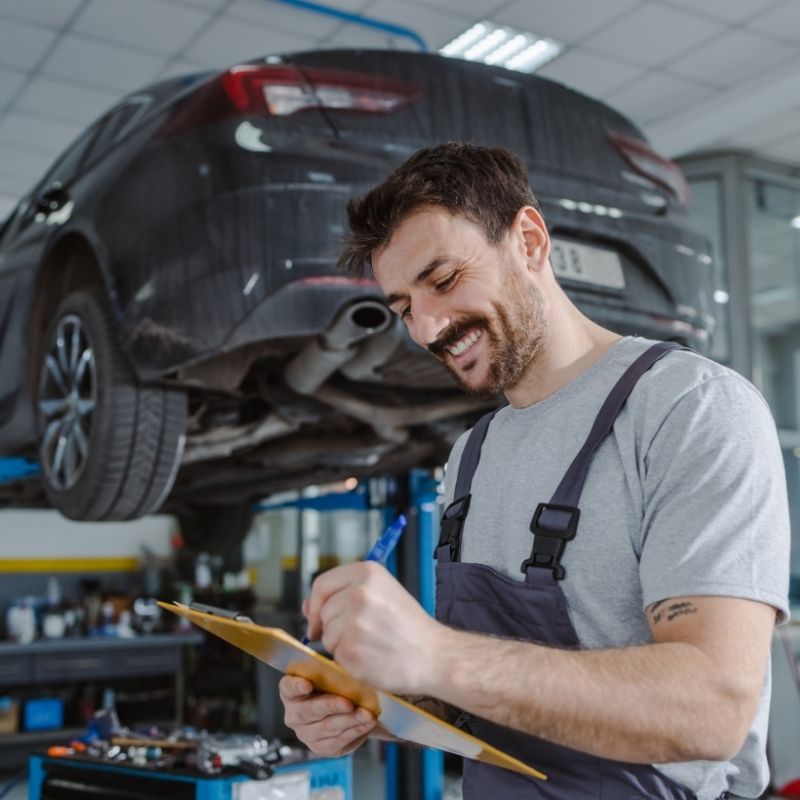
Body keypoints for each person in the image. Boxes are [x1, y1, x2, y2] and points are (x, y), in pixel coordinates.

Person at [279, 143, 790, 799]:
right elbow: (493, 700)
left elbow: (712, 709)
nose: (428, 327)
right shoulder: (473, 454)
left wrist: (439, 654)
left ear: (528, 240)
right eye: (405, 308)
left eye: (443, 280)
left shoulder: (686, 408)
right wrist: (372, 709)